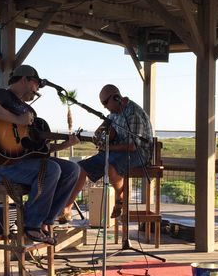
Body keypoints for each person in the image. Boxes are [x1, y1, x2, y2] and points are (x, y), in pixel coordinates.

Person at [0, 64, 80, 245]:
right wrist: (16, 119)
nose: (38, 89)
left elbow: (37, 151)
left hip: (25, 164)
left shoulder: (30, 112)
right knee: (51, 169)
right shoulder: (2, 95)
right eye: (36, 84)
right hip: (3, 166)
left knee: (72, 169)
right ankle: (31, 224)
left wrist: (64, 144)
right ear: (25, 79)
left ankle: (46, 221)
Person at [59, 84, 153, 223]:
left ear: (116, 98)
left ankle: (120, 197)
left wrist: (108, 147)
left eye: (105, 103)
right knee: (80, 168)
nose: (104, 107)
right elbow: (107, 125)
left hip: (139, 153)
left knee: (111, 166)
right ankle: (67, 208)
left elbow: (133, 146)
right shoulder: (114, 113)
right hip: (116, 151)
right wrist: (100, 132)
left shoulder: (133, 114)